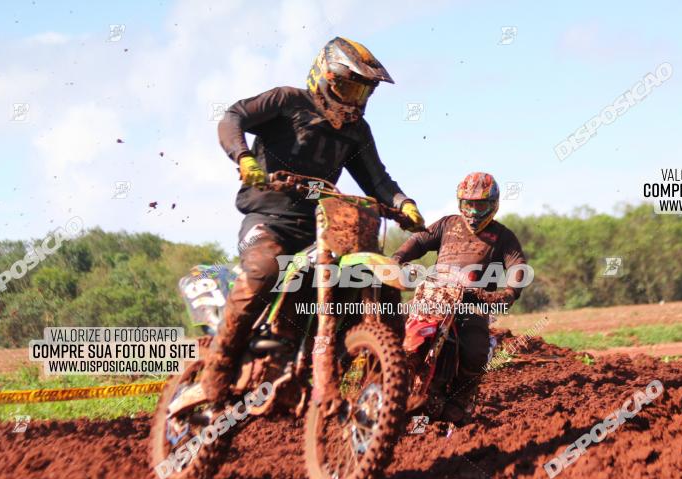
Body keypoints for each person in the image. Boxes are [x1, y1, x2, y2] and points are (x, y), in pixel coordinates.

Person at [201, 37, 426, 402]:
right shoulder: (287, 100)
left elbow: (377, 179)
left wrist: (404, 203)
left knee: (367, 283)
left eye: (362, 92)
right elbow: (233, 116)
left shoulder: (356, 132)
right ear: (324, 77)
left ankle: (385, 383)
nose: (354, 100)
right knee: (264, 269)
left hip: (323, 226)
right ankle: (220, 363)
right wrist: (244, 157)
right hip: (269, 218)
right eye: (348, 87)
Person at [392, 172, 528, 422]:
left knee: (474, 349)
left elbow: (517, 266)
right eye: (469, 204)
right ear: (460, 203)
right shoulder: (448, 224)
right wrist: (397, 258)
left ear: (493, 204)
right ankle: (381, 379)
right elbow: (419, 240)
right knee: (392, 325)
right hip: (433, 294)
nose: (474, 211)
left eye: (481, 205)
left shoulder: (503, 236)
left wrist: (509, 292)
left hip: (472, 303)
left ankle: (460, 398)